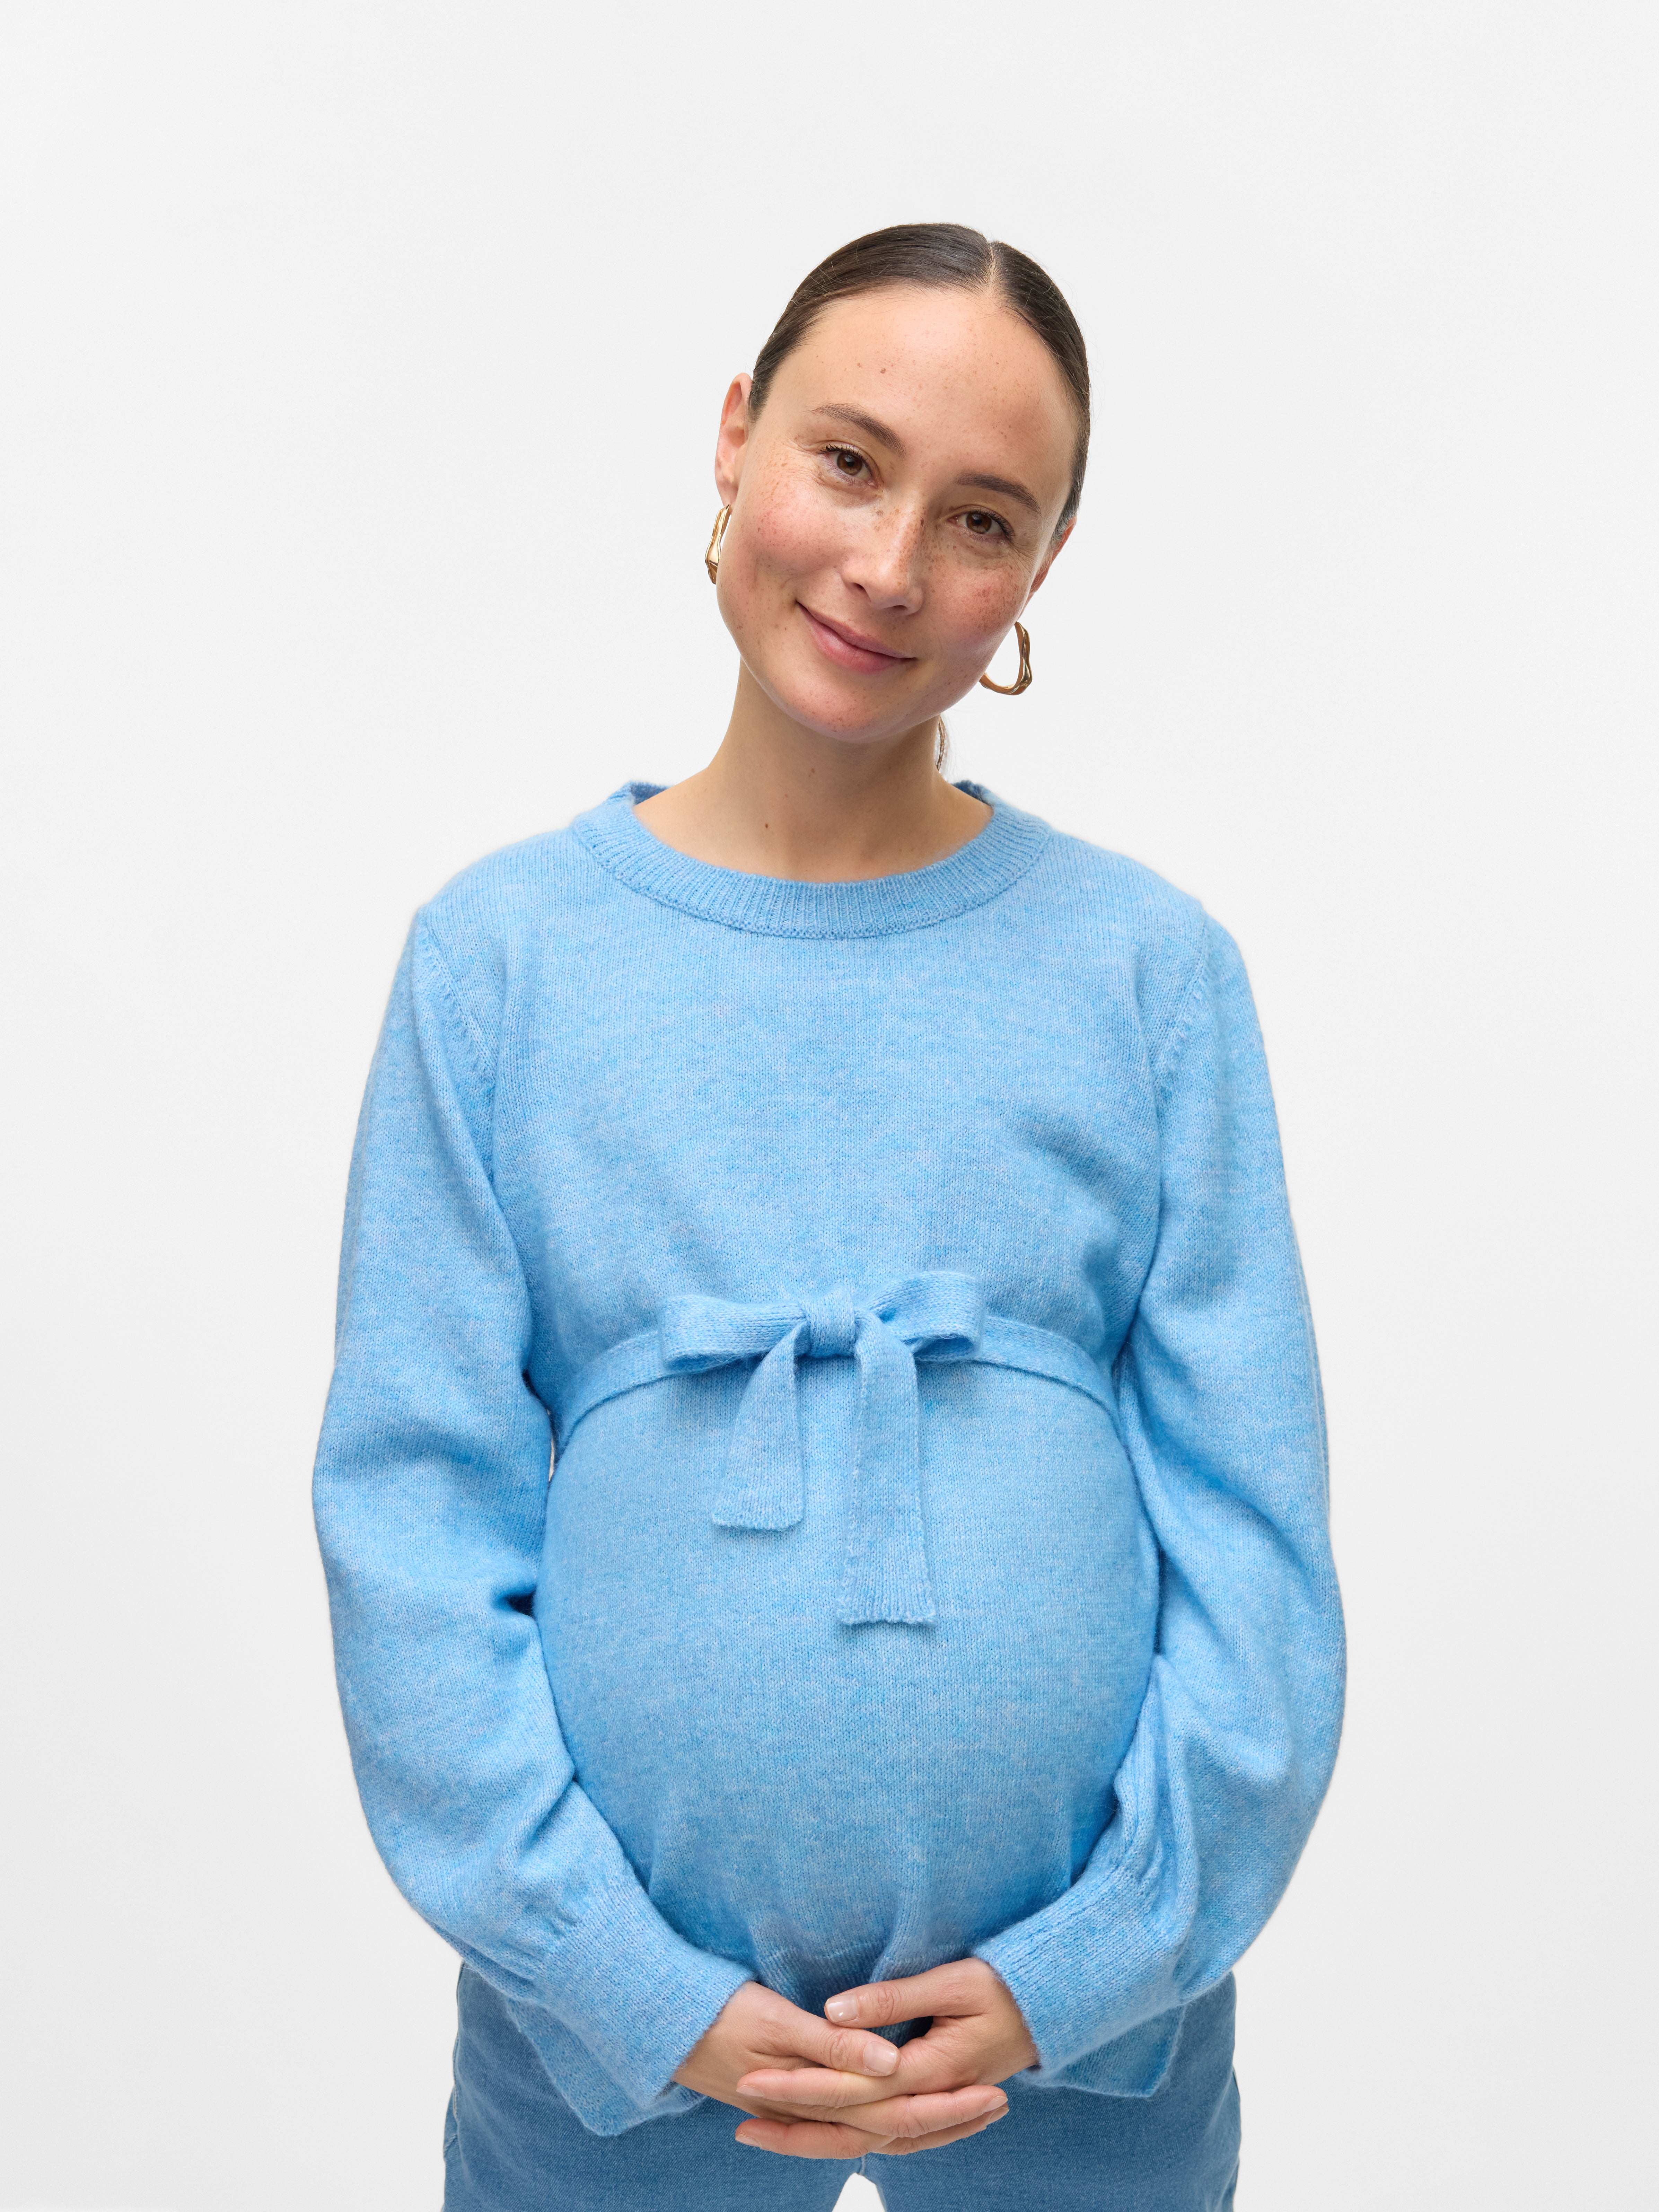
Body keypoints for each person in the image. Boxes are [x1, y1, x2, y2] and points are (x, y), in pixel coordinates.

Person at [313, 222, 1345, 2211]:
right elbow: (412, 1528)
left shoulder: (1147, 972)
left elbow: (1259, 1553)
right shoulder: (501, 962)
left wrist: (1088, 1967)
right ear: (735, 436)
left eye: (982, 517)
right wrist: (623, 1983)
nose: (889, 567)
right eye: (849, 463)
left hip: (1089, 2051)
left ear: (1040, 568)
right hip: (607, 2059)